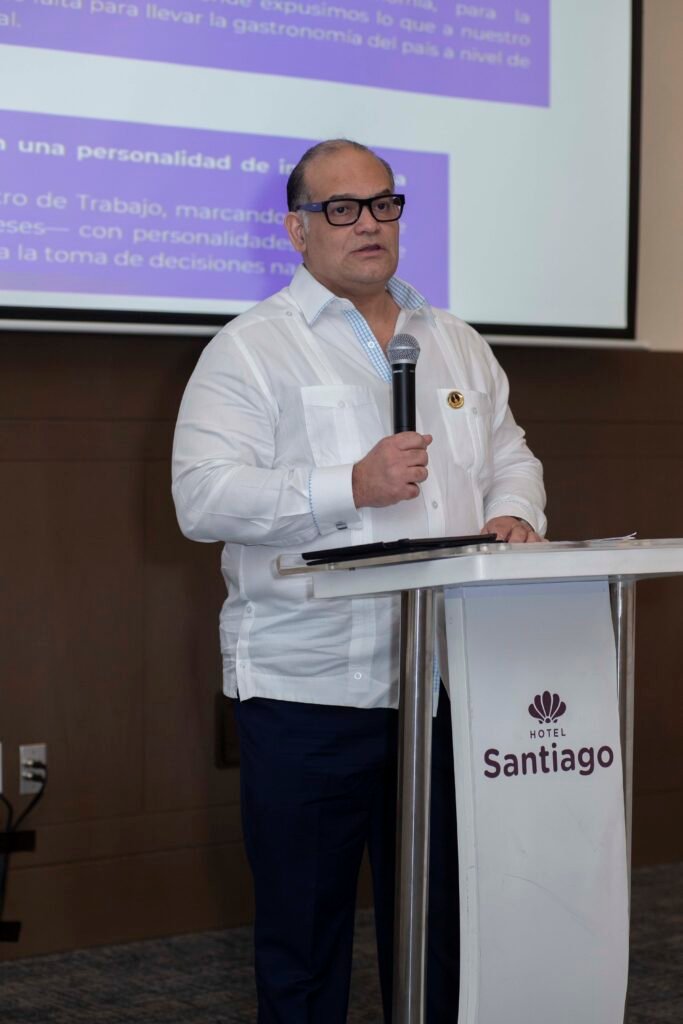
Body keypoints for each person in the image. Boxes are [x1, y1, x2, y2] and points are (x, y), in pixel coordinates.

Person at [172, 139, 546, 1024]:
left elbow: (510, 454)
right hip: (310, 693)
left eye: (383, 204)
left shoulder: (453, 340)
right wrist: (349, 484)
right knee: (306, 941)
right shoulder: (250, 349)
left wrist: (514, 512)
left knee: (445, 930)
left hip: (446, 686)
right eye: (341, 209)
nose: (368, 223)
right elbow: (201, 496)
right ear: (297, 229)